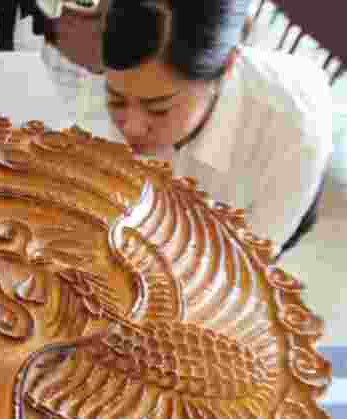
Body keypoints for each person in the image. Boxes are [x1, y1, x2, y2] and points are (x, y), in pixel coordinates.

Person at [94, 0, 332, 251]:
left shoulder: (292, 134)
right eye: (116, 100)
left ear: (226, 66)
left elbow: (247, 267)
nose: (131, 128)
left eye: (158, 109)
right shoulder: (112, 64)